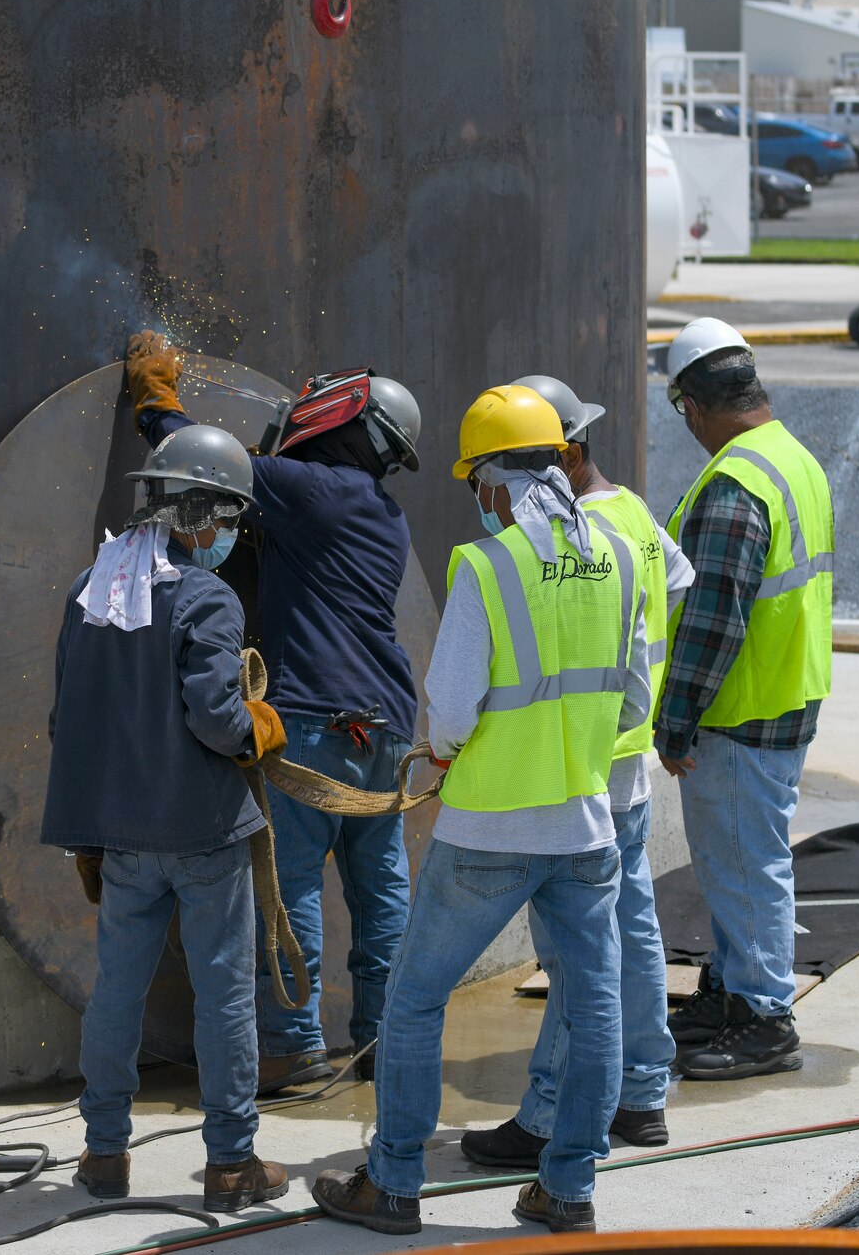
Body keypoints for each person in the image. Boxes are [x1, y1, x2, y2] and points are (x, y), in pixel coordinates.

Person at [312, 385, 649, 1237]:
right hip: (587, 823)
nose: (479, 501)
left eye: (476, 484)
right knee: (593, 1003)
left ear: (495, 478)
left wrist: (452, 746)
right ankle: (568, 1190)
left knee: (417, 1001)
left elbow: (453, 711)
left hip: (489, 827)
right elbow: (632, 693)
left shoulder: (487, 565)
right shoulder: (619, 555)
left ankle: (392, 1183)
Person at [124, 332, 424, 1092]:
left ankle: (292, 1047)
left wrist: (156, 400)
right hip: (384, 722)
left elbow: (207, 466)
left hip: (316, 720)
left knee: (288, 892)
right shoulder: (383, 514)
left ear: (341, 419)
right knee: (381, 894)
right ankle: (384, 1044)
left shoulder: (309, 488)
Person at [39, 424, 291, 1213]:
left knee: (118, 989)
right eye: (228, 519)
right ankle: (231, 1163)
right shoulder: (206, 594)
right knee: (223, 993)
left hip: (119, 832)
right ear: (202, 513)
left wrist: (89, 826)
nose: (229, 536)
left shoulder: (92, 588)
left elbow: (67, 717)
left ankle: (104, 1153)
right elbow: (217, 719)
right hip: (203, 829)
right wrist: (261, 725)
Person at [460, 374, 693, 1174]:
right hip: (624, 753)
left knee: (578, 953)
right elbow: (681, 583)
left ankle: (551, 1111)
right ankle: (644, 1091)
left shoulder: (569, 538)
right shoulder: (630, 514)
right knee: (632, 931)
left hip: (583, 762)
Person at [655, 318, 835, 1082]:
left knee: (746, 863)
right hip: (787, 693)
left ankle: (764, 1015)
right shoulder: (795, 458)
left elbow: (712, 617)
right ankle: (729, 991)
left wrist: (676, 720)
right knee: (737, 861)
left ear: (694, 406)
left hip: (740, 709)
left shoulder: (736, 483)